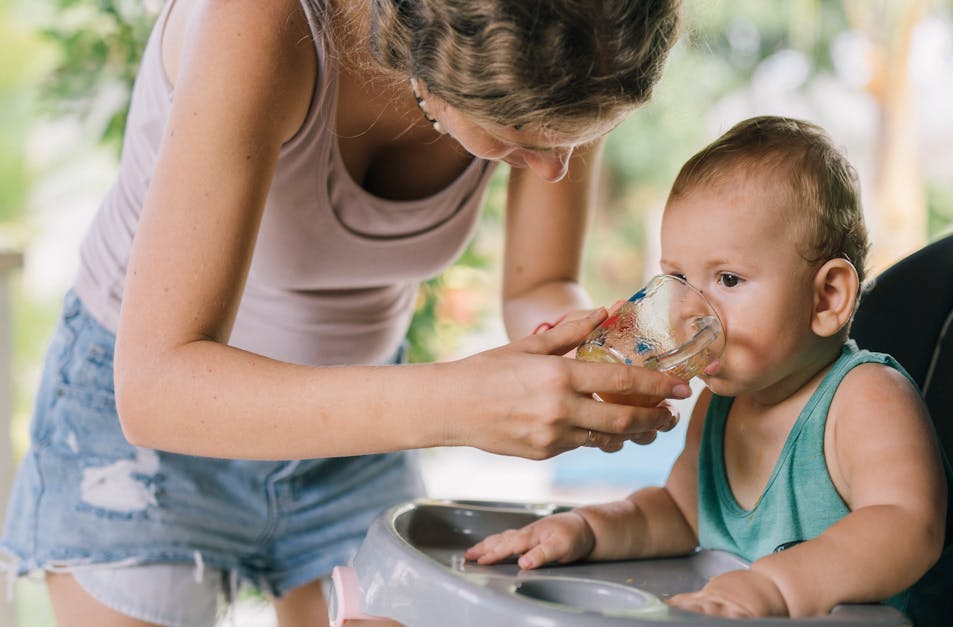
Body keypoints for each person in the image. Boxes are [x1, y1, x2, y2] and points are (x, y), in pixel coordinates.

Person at [0, 0, 686, 625]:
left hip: (355, 435)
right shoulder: (261, 23)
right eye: (517, 137)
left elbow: (541, 281)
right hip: (149, 443)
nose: (550, 169)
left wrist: (589, 351)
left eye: (571, 137)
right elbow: (153, 386)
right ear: (432, 54)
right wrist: (463, 404)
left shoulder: (571, 38)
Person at [465, 116, 953, 624]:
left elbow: (907, 527)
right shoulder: (719, 404)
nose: (685, 306)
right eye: (677, 277)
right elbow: (679, 515)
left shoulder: (865, 398)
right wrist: (587, 530)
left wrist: (773, 586)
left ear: (826, 297)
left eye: (727, 278)